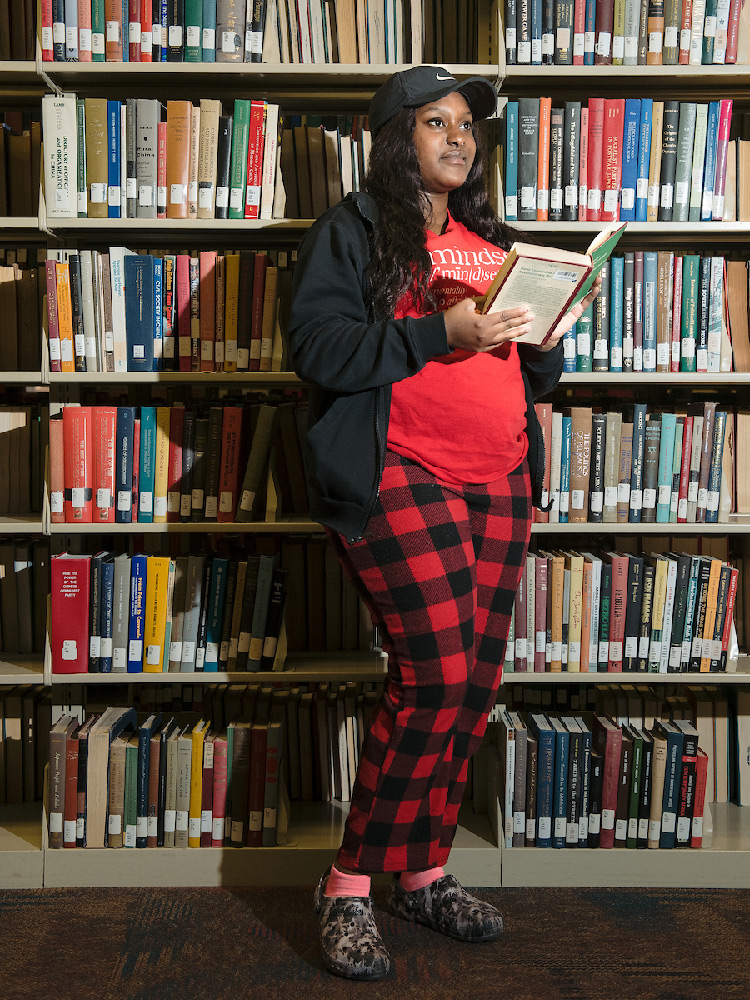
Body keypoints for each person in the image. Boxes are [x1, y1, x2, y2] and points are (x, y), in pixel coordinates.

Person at [287, 65, 601, 981]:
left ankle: (421, 872)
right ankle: (348, 883)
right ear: (397, 138)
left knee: (473, 689)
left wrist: (542, 340)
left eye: (467, 124)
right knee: (435, 675)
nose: (459, 137)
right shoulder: (350, 234)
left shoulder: (485, 239)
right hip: (399, 473)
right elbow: (317, 348)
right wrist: (443, 333)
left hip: (501, 478)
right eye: (436, 122)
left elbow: (523, 373)